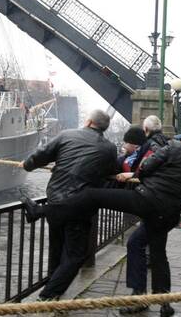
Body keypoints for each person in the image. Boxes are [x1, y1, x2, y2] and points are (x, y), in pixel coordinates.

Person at [23, 127, 181, 317]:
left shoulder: (173, 147)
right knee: (151, 250)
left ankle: (40, 211)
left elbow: (145, 169)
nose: (180, 141)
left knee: (91, 196)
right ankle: (164, 303)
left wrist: (138, 175)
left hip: (146, 200)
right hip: (168, 214)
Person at [21, 110, 118, 301]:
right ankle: (49, 293)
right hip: (80, 206)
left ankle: (52, 287)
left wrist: (27, 165)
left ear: (89, 121)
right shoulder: (109, 148)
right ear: (104, 128)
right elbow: (109, 172)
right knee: (76, 254)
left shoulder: (67, 135)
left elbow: (41, 156)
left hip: (55, 198)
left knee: (56, 247)